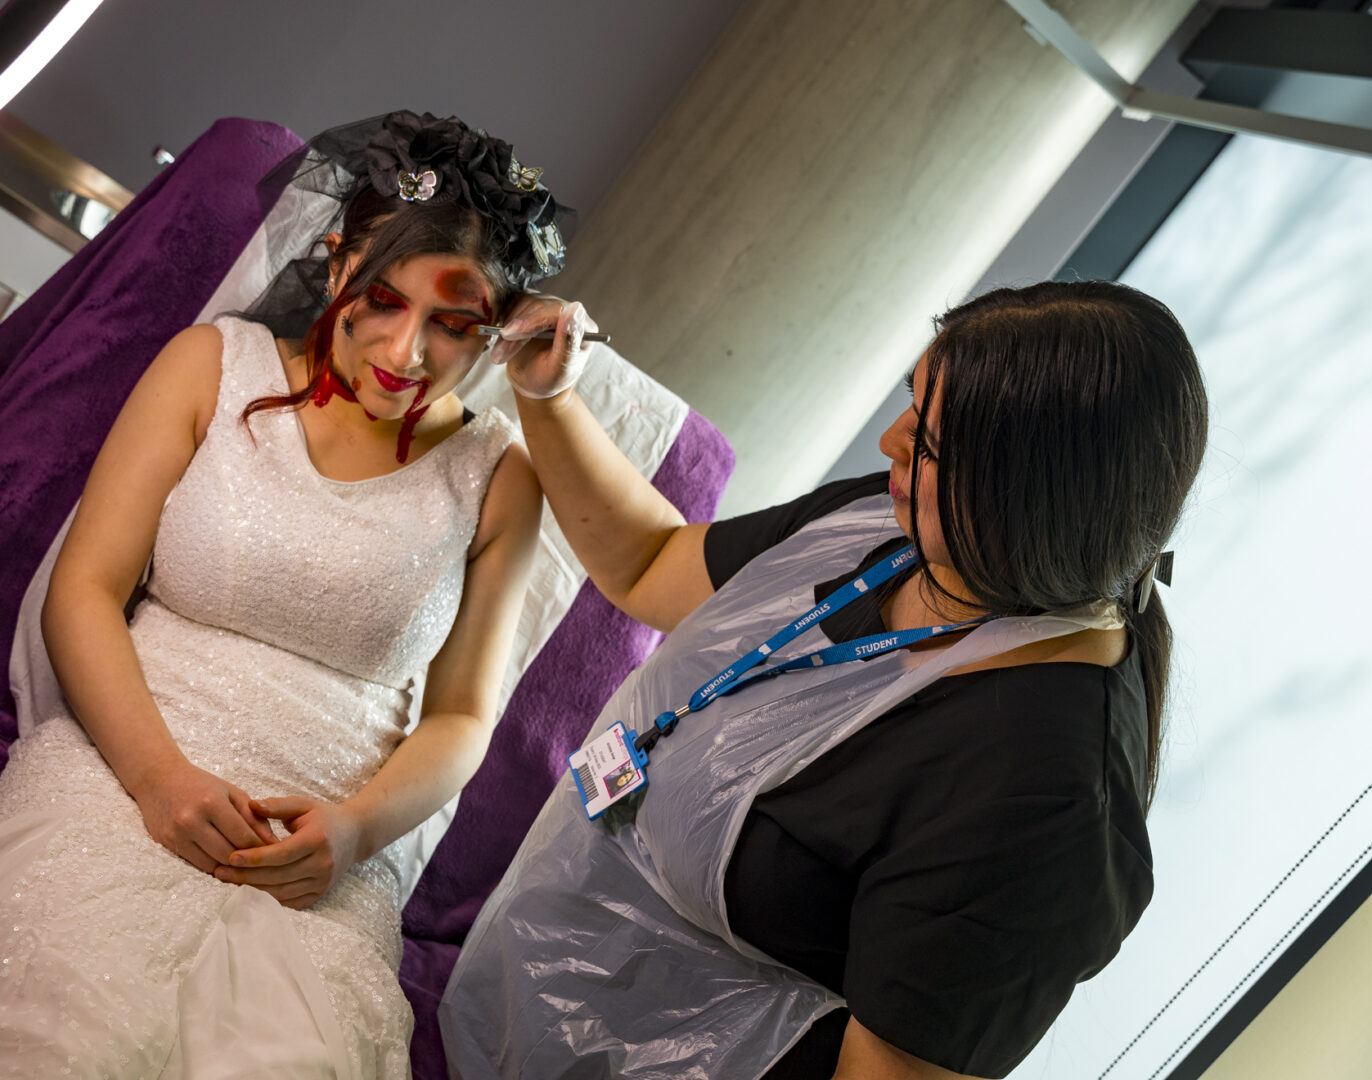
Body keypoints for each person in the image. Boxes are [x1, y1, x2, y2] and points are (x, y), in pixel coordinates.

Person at [0, 110, 567, 1080]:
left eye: (453, 324)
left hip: (317, 852)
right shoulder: (209, 366)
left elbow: (461, 717)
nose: (405, 354)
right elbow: (85, 589)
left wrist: (354, 832)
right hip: (127, 765)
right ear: (335, 270)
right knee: (62, 1034)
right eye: (383, 301)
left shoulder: (500, 477)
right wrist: (158, 781)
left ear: (496, 330)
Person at [444, 280, 1209, 1079]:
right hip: (521, 1001)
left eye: (931, 444)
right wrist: (551, 397)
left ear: (1031, 499)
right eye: (912, 403)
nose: (889, 441)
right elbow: (650, 563)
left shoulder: (1044, 809)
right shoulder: (898, 526)